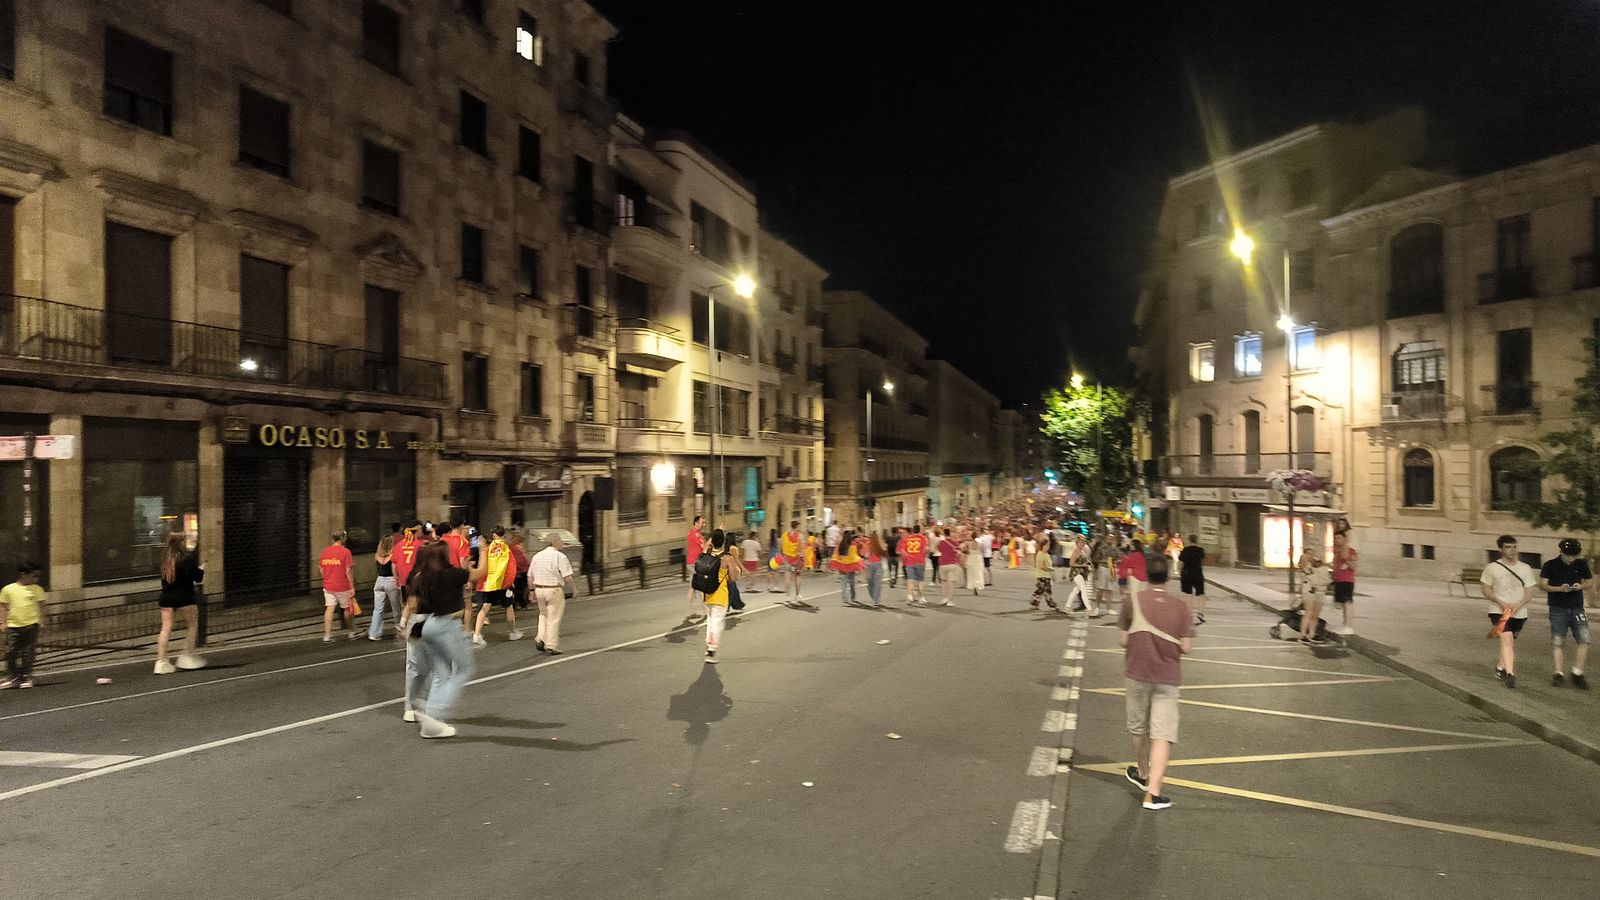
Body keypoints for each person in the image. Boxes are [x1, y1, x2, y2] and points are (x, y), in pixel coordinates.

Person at [1118, 554, 1194, 811]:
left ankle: (1142, 771)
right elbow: (1186, 646)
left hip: (1137, 673)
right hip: (1167, 678)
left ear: (1146, 576)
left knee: (1138, 727)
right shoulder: (1181, 606)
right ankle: (1153, 793)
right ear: (1169, 576)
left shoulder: (1132, 600)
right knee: (1162, 734)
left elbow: (1123, 640)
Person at [402, 541, 485, 738]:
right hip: (446, 624)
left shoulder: (422, 577)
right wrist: (484, 550)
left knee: (440, 671)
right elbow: (481, 572)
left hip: (428, 625)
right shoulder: (453, 574)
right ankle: (433, 712)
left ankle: (429, 718)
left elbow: (412, 605)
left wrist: (405, 622)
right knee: (463, 669)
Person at [147, 533, 208, 674]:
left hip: (166, 597)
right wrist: (202, 568)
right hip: (184, 596)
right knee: (193, 625)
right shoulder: (187, 558)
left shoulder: (164, 560)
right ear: (181, 543)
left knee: (165, 628)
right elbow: (197, 578)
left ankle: (161, 662)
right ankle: (187, 655)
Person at [1481, 535, 1535, 689]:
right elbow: (1485, 589)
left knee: (1510, 642)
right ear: (1500, 549)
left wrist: (1518, 605)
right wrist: (1500, 602)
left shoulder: (1525, 568)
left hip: (1519, 611)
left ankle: (1500, 667)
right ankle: (1510, 674)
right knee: (1506, 639)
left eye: (1514, 547)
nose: (1512, 550)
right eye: (1508, 547)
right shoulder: (1492, 567)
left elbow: (1530, 591)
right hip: (1499, 610)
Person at [1538, 538, 1591, 689]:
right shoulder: (1550, 565)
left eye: (1574, 555)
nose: (1571, 558)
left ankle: (1577, 672)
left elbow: (1589, 583)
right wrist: (1559, 588)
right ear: (1561, 552)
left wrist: (1580, 586)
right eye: (1568, 555)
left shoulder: (1581, 564)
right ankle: (1558, 673)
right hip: (1557, 607)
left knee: (1584, 638)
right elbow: (1542, 584)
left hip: (1577, 607)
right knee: (1558, 640)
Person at [471, 526, 520, 647]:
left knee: (484, 608)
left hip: (490, 582)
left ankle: (477, 634)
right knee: (509, 607)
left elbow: (483, 565)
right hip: (504, 583)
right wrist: (510, 581)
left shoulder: (488, 549)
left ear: (493, 535)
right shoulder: (507, 549)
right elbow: (512, 567)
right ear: (503, 535)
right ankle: (513, 632)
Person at [695, 529, 738, 663]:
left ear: (712, 542)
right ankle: (711, 650)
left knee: (710, 620)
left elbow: (704, 548)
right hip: (720, 595)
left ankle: (709, 644)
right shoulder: (727, 558)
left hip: (707, 593)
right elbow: (733, 578)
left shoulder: (706, 554)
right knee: (717, 622)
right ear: (723, 542)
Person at [530, 532, 576, 655]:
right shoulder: (559, 556)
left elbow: (530, 575)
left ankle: (540, 637)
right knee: (554, 618)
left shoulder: (537, 556)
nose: (562, 543)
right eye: (560, 540)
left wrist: (531, 591)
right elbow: (567, 576)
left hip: (539, 589)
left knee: (543, 614)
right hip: (553, 589)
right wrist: (574, 588)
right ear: (554, 542)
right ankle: (551, 645)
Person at [1, 562, 45, 689]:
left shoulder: (37, 589)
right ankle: (13, 677)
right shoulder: (8, 589)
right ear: (23, 575)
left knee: (28, 652)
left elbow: (42, 606)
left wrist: (42, 621)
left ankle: (27, 676)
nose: (35, 579)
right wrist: (2, 622)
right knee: (10, 652)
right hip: (13, 625)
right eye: (32, 576)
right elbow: (3, 606)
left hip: (31, 624)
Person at [319, 531, 358, 642]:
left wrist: (326, 578)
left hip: (328, 585)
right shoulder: (346, 552)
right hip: (342, 585)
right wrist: (352, 587)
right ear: (342, 538)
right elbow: (348, 571)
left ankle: (327, 636)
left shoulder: (325, 552)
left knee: (329, 608)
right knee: (346, 609)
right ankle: (351, 632)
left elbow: (321, 569)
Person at [368, 533, 402, 641]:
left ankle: (374, 633)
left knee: (378, 609)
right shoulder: (393, 555)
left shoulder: (377, 555)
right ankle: (399, 630)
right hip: (391, 581)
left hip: (379, 581)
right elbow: (395, 569)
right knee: (396, 608)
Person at [1297, 547, 1332, 644]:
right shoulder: (1306, 566)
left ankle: (1312, 634)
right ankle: (1303, 635)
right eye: (1308, 553)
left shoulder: (1319, 566)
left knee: (1315, 615)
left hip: (1320, 592)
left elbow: (1326, 579)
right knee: (1309, 612)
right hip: (1309, 591)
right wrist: (1306, 558)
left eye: (1312, 554)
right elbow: (1303, 564)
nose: (1311, 556)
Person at [1330, 530, 1358, 633]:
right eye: (1335, 538)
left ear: (1344, 539)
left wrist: (1346, 559)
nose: (1337, 540)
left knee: (1347, 602)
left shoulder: (1351, 551)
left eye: (1339, 538)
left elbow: (1354, 566)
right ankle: (1345, 624)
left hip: (1347, 580)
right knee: (1342, 604)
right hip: (1339, 580)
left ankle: (1349, 626)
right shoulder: (1337, 552)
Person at [1178, 534, 1207, 625]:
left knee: (1188, 595)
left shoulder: (1185, 550)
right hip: (1197, 574)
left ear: (1189, 540)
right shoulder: (1200, 550)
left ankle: (1189, 615)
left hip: (1186, 574)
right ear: (1196, 540)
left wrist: (1180, 573)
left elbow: (1181, 563)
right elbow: (1202, 562)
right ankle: (1200, 613)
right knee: (1201, 594)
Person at [830, 530, 865, 604]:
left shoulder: (840, 544)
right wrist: (860, 562)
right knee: (852, 583)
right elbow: (854, 556)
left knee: (843, 583)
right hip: (851, 566)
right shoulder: (853, 544)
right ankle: (853, 597)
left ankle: (844, 598)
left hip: (842, 566)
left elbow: (836, 555)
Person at [1063, 535, 1095, 616]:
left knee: (1076, 590)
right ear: (1076, 543)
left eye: (1082, 542)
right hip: (1076, 573)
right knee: (1083, 590)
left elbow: (1085, 560)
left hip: (1082, 573)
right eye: (1079, 542)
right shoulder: (1076, 552)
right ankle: (1089, 609)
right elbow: (1071, 563)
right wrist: (1082, 565)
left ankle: (1067, 606)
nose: (1081, 544)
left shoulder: (1082, 551)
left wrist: (1089, 564)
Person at [898, 525, 930, 604]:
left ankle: (909, 596)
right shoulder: (923, 538)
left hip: (910, 562)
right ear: (920, 530)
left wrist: (908, 556)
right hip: (920, 561)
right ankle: (921, 597)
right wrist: (923, 555)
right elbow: (927, 549)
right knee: (920, 580)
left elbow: (902, 550)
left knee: (910, 580)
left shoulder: (907, 539)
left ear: (912, 530)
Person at [1030, 532, 1060, 611]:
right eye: (1047, 545)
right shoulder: (1040, 554)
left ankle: (1049, 604)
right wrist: (1050, 568)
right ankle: (1035, 603)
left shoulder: (1046, 554)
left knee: (1047, 591)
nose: (1048, 547)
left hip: (1047, 576)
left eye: (1049, 545)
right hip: (1041, 575)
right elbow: (1041, 566)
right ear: (1043, 546)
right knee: (1040, 590)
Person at [685, 515, 708, 618]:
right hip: (695, 563)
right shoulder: (696, 534)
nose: (703, 525)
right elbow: (704, 547)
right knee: (703, 587)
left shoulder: (692, 532)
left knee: (692, 587)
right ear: (696, 523)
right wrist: (712, 540)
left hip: (691, 563)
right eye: (702, 523)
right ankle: (706, 611)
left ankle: (689, 611)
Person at [780, 520, 806, 604]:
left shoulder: (784, 535)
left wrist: (783, 555)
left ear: (790, 526)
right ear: (797, 527)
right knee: (798, 576)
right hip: (797, 558)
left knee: (787, 577)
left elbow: (780, 546)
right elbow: (802, 548)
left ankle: (788, 596)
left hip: (787, 558)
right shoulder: (800, 536)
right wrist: (804, 559)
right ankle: (798, 595)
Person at [936, 528, 961, 606]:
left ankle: (944, 598)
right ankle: (950, 600)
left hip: (943, 563)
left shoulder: (941, 543)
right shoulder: (955, 543)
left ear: (944, 534)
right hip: (953, 563)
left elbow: (938, 550)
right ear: (950, 534)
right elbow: (959, 552)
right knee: (951, 583)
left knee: (943, 582)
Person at [862, 533, 886, 607]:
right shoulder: (880, 545)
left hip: (869, 565)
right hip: (878, 564)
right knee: (877, 583)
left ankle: (874, 598)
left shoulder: (867, 545)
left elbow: (863, 554)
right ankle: (876, 600)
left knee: (870, 583)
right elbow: (884, 555)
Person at [963, 530, 985, 596]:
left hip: (971, 558)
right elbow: (981, 552)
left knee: (971, 573)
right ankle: (977, 586)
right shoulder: (980, 544)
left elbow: (964, 550)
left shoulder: (968, 544)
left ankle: (973, 586)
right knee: (978, 573)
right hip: (978, 558)